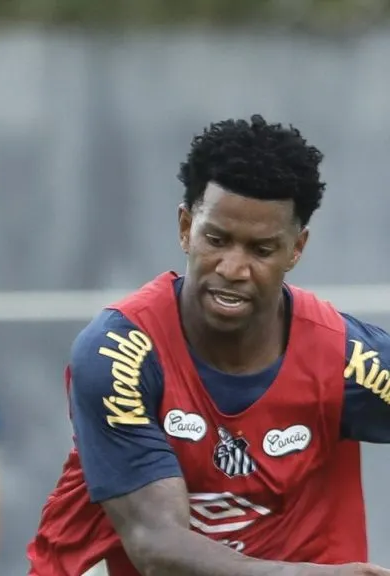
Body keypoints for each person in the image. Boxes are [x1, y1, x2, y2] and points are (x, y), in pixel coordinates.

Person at [26, 115, 390, 576]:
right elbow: (158, 548)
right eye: (216, 240)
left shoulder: (348, 361)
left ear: (296, 250)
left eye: (261, 250)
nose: (234, 268)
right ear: (185, 227)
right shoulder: (120, 354)